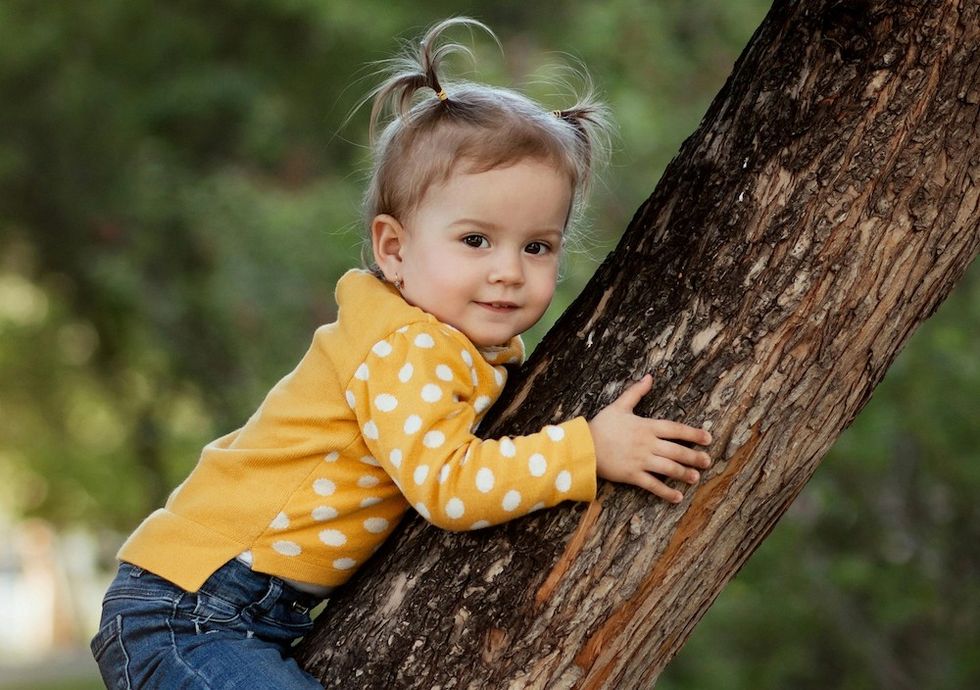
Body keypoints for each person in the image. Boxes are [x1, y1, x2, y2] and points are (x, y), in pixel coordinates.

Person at [90, 16, 713, 689]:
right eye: (475, 240)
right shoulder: (405, 346)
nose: (509, 270)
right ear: (393, 249)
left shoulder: (451, 345)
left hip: (239, 610)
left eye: (537, 246)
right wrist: (585, 449)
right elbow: (450, 486)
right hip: (189, 611)